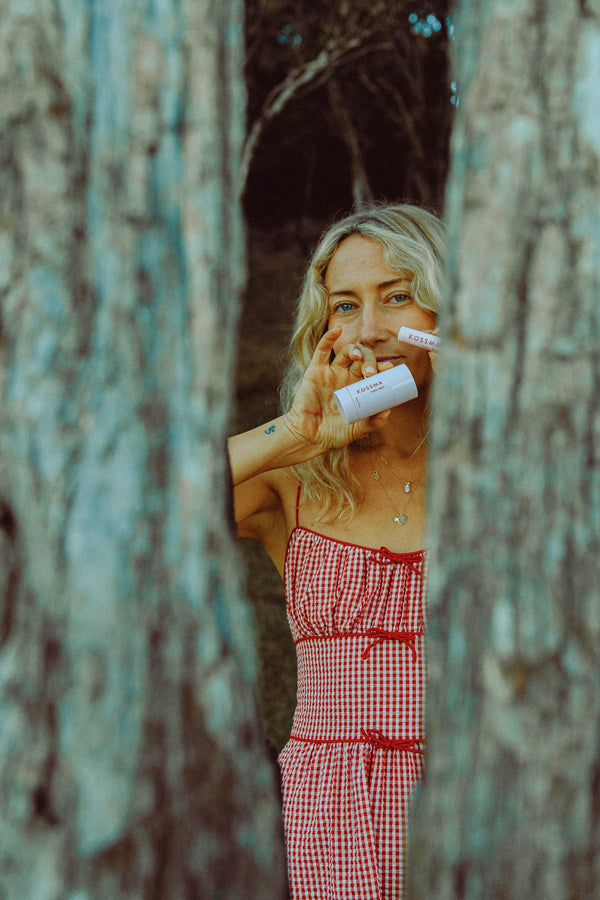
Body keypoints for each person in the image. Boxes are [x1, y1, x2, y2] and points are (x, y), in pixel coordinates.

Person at [228, 203, 445, 899]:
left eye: (399, 297)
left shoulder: (513, 476)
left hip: (478, 801)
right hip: (330, 818)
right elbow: (138, 504)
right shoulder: (293, 479)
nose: (372, 330)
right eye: (346, 306)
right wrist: (295, 432)